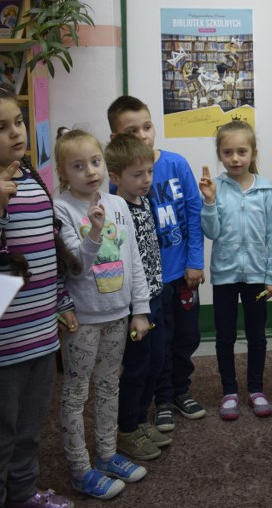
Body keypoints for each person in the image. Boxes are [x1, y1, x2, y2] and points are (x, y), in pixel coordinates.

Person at [0, 86, 77, 508]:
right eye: (0, 127)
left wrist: (61, 302)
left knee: (28, 427)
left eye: (19, 123)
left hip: (40, 334)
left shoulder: (32, 177)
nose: (15, 133)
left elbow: (48, 250)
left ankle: (23, 494)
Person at [53, 129, 151, 499]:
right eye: (78, 166)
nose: (90, 171)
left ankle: (107, 454)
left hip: (118, 315)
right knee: (77, 392)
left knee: (111, 384)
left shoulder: (118, 204)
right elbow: (76, 266)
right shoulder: (61, 209)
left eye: (95, 162)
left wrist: (140, 309)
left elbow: (134, 260)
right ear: (63, 173)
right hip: (83, 319)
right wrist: (94, 232)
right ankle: (80, 468)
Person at [107, 95, 206, 431]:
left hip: (183, 273)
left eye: (147, 127)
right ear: (116, 139)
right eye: (132, 131)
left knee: (187, 336)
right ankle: (163, 398)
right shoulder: (118, 180)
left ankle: (181, 389)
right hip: (148, 283)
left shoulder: (176, 164)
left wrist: (195, 261)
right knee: (158, 342)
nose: (143, 136)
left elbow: (193, 212)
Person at [199, 120, 272, 420]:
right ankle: (229, 391)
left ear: (253, 153)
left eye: (241, 151)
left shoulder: (266, 191)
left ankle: (256, 389)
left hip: (257, 277)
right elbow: (211, 232)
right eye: (227, 152)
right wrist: (209, 202)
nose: (235, 158)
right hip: (224, 275)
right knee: (225, 336)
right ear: (220, 155)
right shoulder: (216, 188)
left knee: (257, 335)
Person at [106, 133, 170, 461]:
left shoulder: (144, 201)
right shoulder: (116, 211)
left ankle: (141, 420)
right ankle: (127, 429)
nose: (146, 180)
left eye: (149, 172)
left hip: (155, 295)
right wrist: (137, 309)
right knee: (136, 367)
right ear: (115, 177)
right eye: (137, 174)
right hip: (135, 306)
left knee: (155, 363)